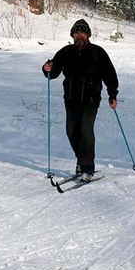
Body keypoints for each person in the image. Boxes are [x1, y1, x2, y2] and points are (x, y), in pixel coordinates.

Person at [42, 19, 119, 181]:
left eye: (82, 33)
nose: (79, 36)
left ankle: (88, 168)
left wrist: (112, 94)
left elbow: (110, 75)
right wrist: (46, 68)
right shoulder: (65, 52)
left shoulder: (98, 52)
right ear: (73, 35)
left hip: (91, 99)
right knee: (71, 131)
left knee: (85, 130)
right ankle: (81, 160)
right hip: (70, 98)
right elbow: (53, 72)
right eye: (76, 33)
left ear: (88, 35)